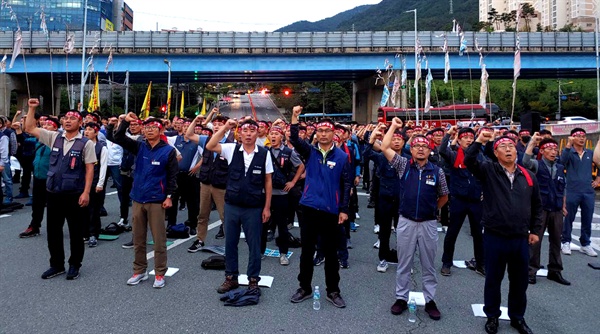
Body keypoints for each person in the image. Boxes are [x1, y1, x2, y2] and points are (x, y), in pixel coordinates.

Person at [464, 130, 542, 334]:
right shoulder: (488, 170)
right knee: (493, 279)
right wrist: (480, 140)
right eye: (503, 147)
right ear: (495, 153)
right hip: (494, 235)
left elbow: (537, 205)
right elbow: (469, 160)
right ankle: (492, 316)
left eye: (511, 147)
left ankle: (517, 317)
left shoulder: (528, 175)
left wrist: (534, 230)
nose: (508, 150)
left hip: (520, 238)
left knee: (519, 281)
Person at [381, 118, 448, 321]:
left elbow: (444, 195)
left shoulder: (437, 171)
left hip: (428, 223)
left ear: (430, 151)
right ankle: (401, 297)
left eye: (424, 147)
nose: (420, 149)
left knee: (428, 265)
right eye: (417, 146)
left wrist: (432, 210)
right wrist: (393, 126)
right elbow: (384, 146)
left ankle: (430, 300)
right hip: (406, 221)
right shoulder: (403, 165)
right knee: (404, 263)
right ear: (411, 149)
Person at [24, 99, 96, 281]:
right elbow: (29, 128)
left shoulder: (86, 143)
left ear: (80, 123)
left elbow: (89, 169)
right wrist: (32, 108)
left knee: (75, 233)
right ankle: (56, 265)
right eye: (65, 118)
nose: (68, 121)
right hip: (54, 193)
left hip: (75, 194)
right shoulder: (54, 137)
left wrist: (86, 192)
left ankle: (74, 265)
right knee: (53, 232)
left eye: (73, 118)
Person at [288, 106, 352, 309]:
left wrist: (343, 209)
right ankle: (304, 287)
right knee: (307, 251)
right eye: (320, 131)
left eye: (327, 131)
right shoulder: (310, 152)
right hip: (308, 208)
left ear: (335, 134)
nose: (323, 134)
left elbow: (346, 184)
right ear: (316, 133)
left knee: (331, 253)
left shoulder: (342, 157)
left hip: (331, 211)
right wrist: (295, 117)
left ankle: (333, 290)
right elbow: (295, 140)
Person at [206, 118, 273, 294]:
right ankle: (231, 278)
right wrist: (226, 128)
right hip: (232, 205)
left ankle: (253, 279)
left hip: (254, 206)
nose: (249, 134)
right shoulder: (231, 149)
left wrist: (267, 207)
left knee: (254, 244)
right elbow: (211, 146)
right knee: (230, 243)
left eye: (252, 131)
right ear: (240, 133)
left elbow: (268, 181)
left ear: (257, 133)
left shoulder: (264, 153)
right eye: (245, 131)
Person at [113, 113, 178, 289]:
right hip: (138, 198)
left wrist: (169, 196)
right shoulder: (139, 147)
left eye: (153, 128)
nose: (149, 131)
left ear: (161, 130)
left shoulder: (168, 151)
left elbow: (172, 176)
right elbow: (118, 137)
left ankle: (159, 273)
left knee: (159, 240)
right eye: (147, 128)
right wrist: (125, 121)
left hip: (157, 199)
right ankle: (139, 271)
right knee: (139, 239)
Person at [522, 134, 571, 285]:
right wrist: (532, 143)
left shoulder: (560, 167)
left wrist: (563, 205)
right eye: (549, 148)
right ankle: (530, 270)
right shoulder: (537, 165)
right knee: (535, 240)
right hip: (540, 209)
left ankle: (555, 271)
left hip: (556, 208)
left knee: (556, 240)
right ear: (542, 151)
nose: (553, 151)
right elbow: (524, 161)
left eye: (555, 149)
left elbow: (563, 188)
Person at [439, 126, 485, 277]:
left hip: (476, 200)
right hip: (458, 200)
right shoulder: (453, 155)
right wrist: (448, 134)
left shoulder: (480, 156)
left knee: (479, 234)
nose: (469, 140)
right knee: (452, 232)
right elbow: (442, 150)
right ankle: (446, 263)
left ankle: (480, 263)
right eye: (465, 137)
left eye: (471, 138)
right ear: (458, 140)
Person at [185, 114, 231, 253]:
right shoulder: (206, 139)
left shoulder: (231, 142)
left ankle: (230, 243)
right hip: (206, 182)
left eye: (220, 124)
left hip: (222, 185)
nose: (217, 126)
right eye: (215, 124)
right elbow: (189, 134)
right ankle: (200, 239)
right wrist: (195, 121)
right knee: (202, 214)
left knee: (225, 216)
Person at [262, 122, 305, 266]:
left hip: (281, 193)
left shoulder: (288, 152)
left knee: (282, 225)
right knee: (262, 223)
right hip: (264, 193)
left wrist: (293, 182)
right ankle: (260, 251)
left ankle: (283, 253)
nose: (273, 136)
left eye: (276, 134)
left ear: (281, 137)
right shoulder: (263, 151)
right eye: (272, 134)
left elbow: (301, 166)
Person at [362, 123, 403, 273]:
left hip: (403, 202)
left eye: (399, 140)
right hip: (385, 200)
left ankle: (403, 260)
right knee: (384, 231)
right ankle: (383, 259)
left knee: (403, 233)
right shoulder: (382, 157)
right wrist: (371, 139)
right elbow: (366, 155)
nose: (396, 142)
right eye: (393, 139)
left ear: (404, 143)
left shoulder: (408, 159)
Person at [561, 128, 598, 257]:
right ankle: (565, 241)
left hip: (588, 190)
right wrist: (567, 146)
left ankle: (585, 243)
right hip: (572, 189)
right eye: (578, 136)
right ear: (572, 138)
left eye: (583, 136)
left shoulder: (590, 153)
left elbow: (599, 164)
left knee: (587, 218)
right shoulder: (568, 152)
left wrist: (598, 179)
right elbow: (561, 163)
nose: (582, 138)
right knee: (569, 217)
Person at [19, 117, 58, 238]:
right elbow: (25, 138)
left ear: (55, 128)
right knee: (37, 204)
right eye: (44, 125)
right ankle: (34, 226)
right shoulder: (38, 140)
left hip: (52, 178)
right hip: (38, 177)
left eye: (49, 125)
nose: (45, 127)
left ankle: (56, 228)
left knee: (54, 205)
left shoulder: (57, 140)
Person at [83, 122, 108, 248]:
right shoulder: (81, 146)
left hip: (95, 182)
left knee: (93, 209)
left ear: (97, 132)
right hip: (82, 183)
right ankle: (86, 232)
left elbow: (103, 167)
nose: (86, 132)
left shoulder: (101, 148)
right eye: (85, 129)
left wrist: (100, 183)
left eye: (90, 130)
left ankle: (94, 233)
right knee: (83, 209)